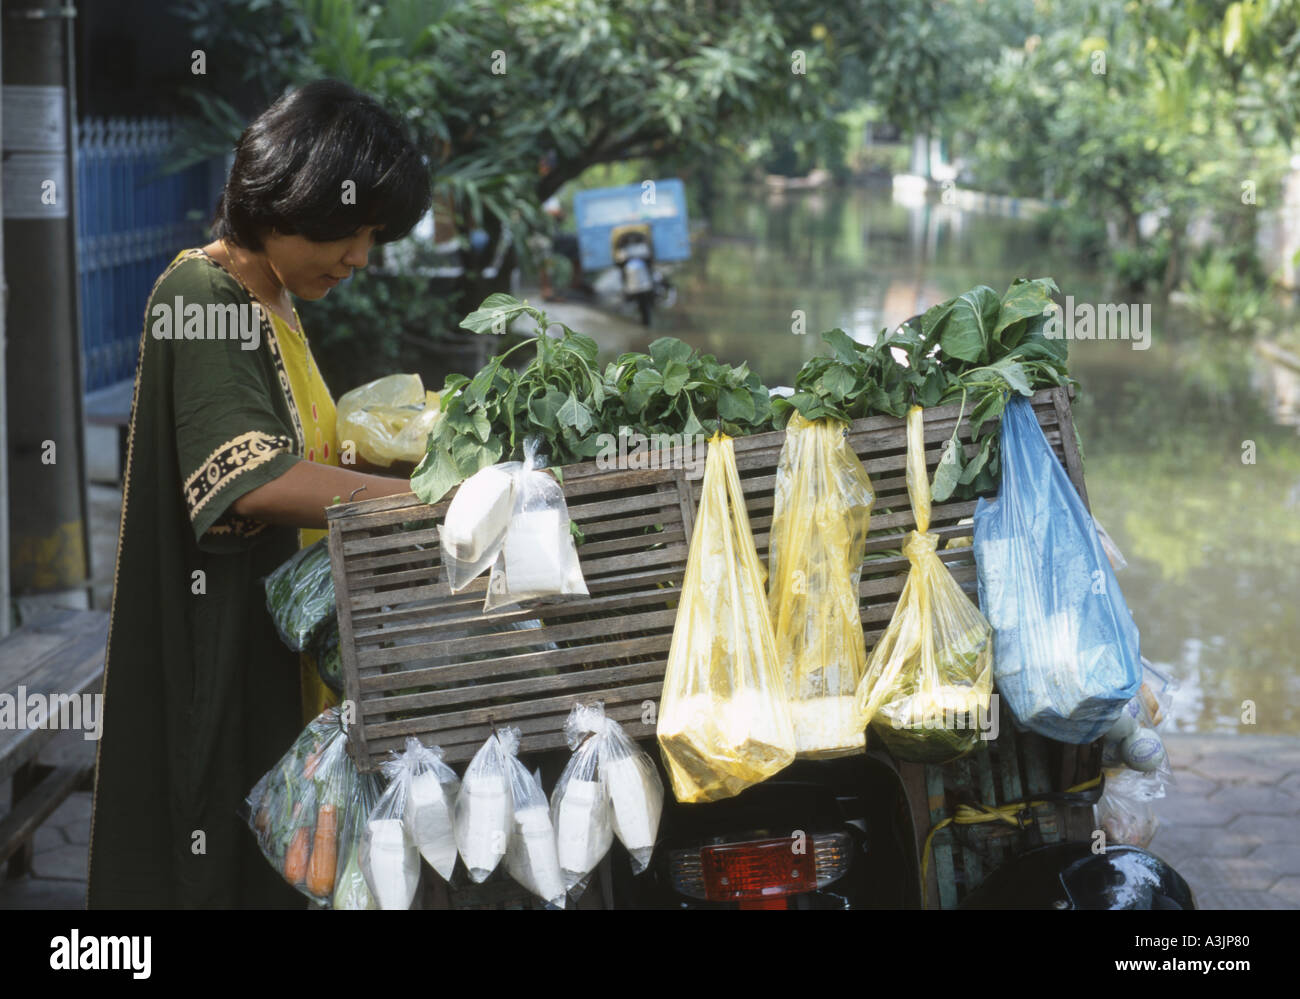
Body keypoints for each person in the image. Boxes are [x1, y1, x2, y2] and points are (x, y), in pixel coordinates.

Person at [86, 80, 431, 908]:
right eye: (351, 231)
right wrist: (426, 505)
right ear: (291, 199)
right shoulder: (199, 295)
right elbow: (254, 478)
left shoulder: (274, 297)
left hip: (279, 644)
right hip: (225, 649)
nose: (359, 257)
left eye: (372, 235)